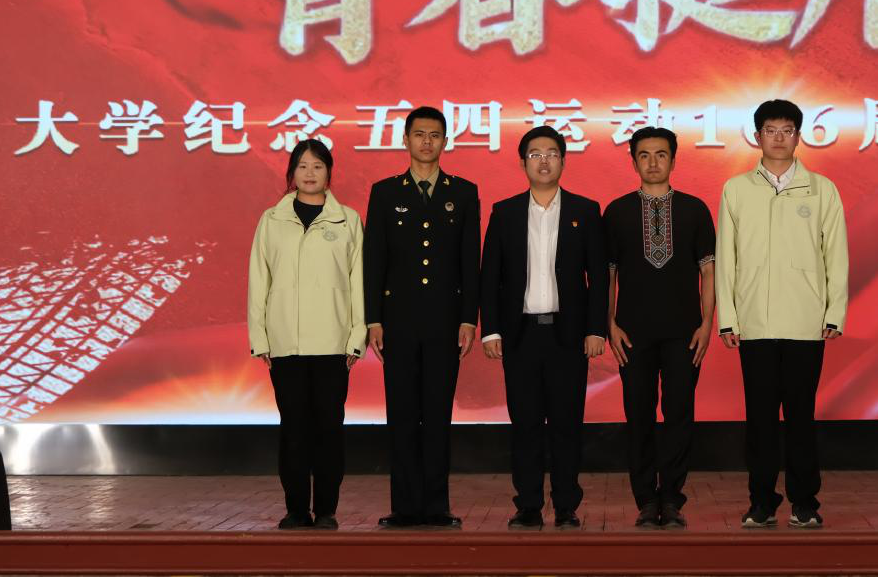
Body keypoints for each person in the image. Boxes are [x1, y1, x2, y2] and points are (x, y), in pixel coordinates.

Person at [716, 99, 848, 530]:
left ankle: (804, 502)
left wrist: (834, 311)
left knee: (800, 418)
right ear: (757, 136)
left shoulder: (821, 189)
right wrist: (728, 317)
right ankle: (761, 502)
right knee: (760, 421)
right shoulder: (737, 189)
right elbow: (727, 257)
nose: (778, 138)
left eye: (786, 130)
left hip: (805, 322)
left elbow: (836, 254)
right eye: (770, 130)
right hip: (753, 323)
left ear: (798, 136)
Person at [480, 126, 608, 530]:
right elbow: (490, 276)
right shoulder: (505, 213)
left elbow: (598, 277)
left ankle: (567, 505)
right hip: (520, 336)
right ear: (523, 163)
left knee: (567, 424)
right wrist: (491, 330)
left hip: (567, 336)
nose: (544, 161)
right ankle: (529, 505)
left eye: (551, 153)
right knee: (526, 425)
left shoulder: (586, 211)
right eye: (535, 154)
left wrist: (596, 329)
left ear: (563, 161)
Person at [363, 106, 480, 529]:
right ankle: (404, 506)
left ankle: (435, 505)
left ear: (445, 142)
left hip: (445, 322)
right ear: (406, 140)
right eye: (419, 134)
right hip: (397, 320)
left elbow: (470, 261)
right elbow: (374, 259)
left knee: (436, 413)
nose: (426, 142)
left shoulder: (462, 192)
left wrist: (469, 319)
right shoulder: (385, 192)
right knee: (402, 412)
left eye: (434, 135)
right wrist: (373, 319)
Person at [248, 139, 366, 530]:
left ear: (329, 172)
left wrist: (356, 337)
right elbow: (259, 280)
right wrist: (261, 338)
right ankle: (296, 509)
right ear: (291, 173)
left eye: (317, 165)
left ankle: (326, 510)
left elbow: (358, 282)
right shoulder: (272, 220)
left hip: (333, 343)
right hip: (286, 343)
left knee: (330, 429)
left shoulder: (347, 220)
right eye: (302, 166)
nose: (310, 173)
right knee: (294, 430)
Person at [603, 126, 716, 530]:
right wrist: (609, 324)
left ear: (674, 159)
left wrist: (707, 323)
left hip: (685, 332)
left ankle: (671, 498)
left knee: (679, 414)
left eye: (661, 154)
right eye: (644, 155)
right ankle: (646, 500)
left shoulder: (694, 209)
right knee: (638, 415)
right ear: (633, 160)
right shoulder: (616, 212)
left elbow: (709, 272)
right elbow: (608, 275)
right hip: (632, 333)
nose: (653, 162)